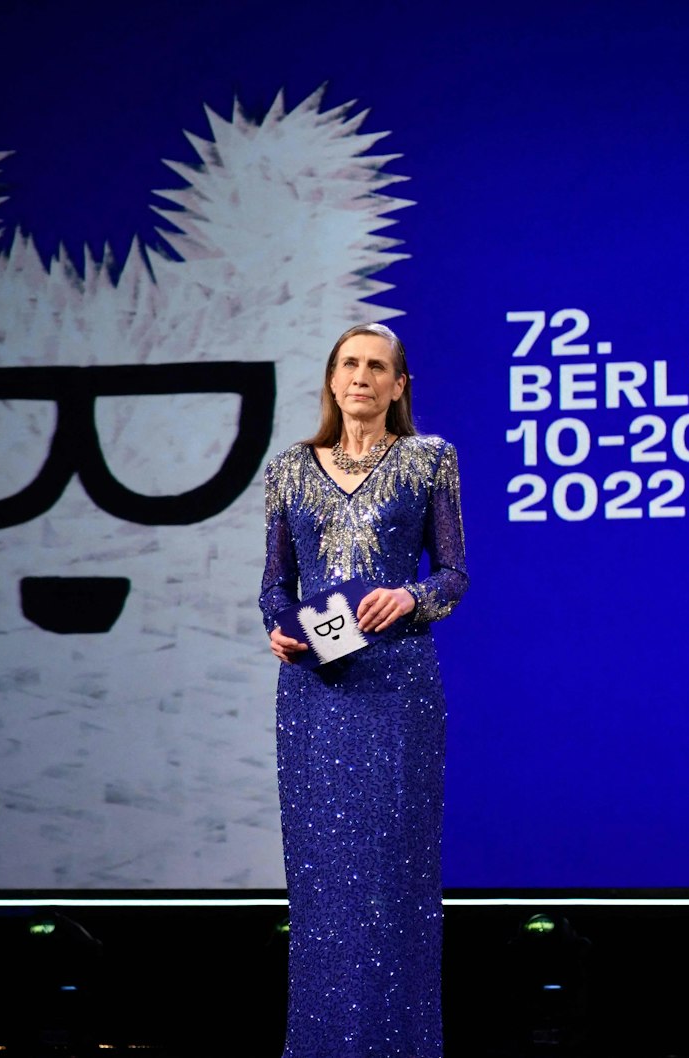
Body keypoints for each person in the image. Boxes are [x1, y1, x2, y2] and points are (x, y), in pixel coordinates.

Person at [259, 321, 467, 1058]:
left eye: (378, 366)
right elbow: (273, 588)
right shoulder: (288, 469)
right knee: (325, 895)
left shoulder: (428, 459)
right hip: (316, 699)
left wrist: (409, 598)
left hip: (398, 689)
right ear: (331, 378)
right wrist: (280, 629)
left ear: (398, 385)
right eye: (349, 363)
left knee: (394, 883)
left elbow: (453, 576)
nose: (361, 376)